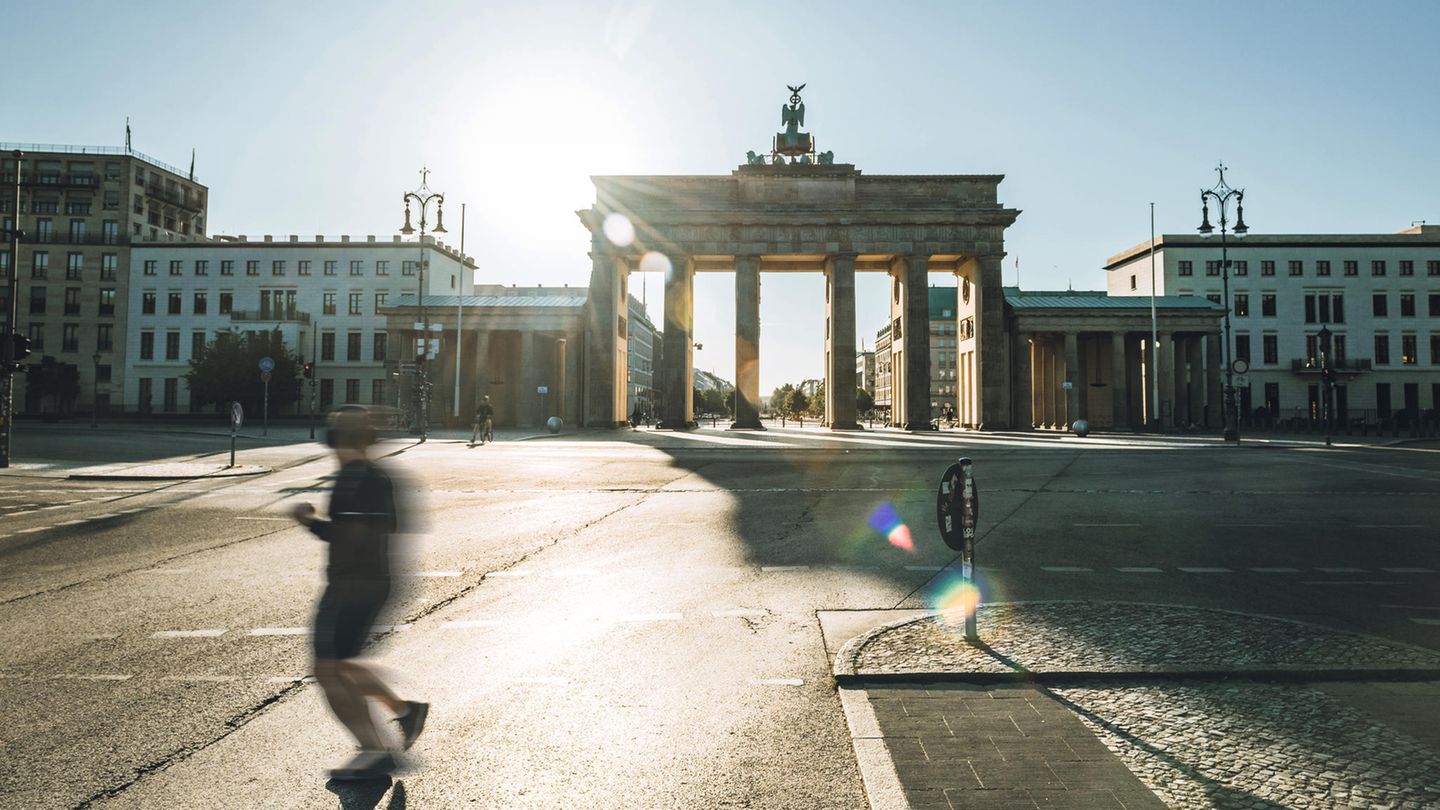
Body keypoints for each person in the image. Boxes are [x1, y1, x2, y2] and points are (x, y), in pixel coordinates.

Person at [290, 405, 427, 781]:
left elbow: (351, 534)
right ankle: (403, 714)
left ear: (335, 441)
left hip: (353, 584)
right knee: (345, 664)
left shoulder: (355, 477)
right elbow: (390, 526)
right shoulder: (377, 475)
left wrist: (310, 522)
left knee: (328, 669)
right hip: (373, 581)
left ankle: (375, 750)